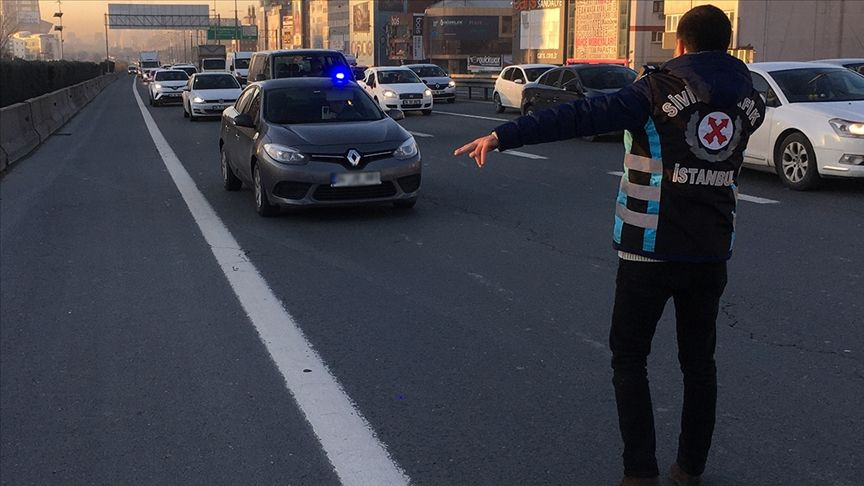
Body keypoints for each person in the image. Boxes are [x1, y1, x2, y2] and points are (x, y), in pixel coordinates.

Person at [454, 5, 764, 486]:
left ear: (679, 44)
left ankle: (640, 473)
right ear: (727, 44)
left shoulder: (655, 90)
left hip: (648, 251)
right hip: (711, 252)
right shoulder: (750, 98)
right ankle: (690, 469)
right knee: (699, 364)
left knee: (630, 358)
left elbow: (580, 115)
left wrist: (504, 134)